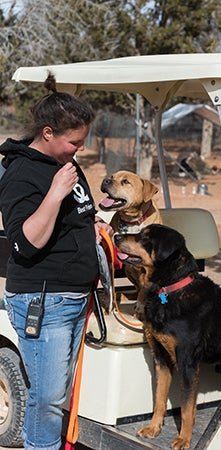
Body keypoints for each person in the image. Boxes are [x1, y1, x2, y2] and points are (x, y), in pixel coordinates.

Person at [0, 73, 112, 450]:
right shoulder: (21, 174)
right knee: (45, 401)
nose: (78, 150)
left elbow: (81, 214)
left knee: (56, 397)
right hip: (43, 302)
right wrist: (54, 195)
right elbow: (26, 243)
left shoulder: (67, 165)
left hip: (74, 298)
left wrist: (96, 226)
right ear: (47, 133)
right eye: (73, 142)